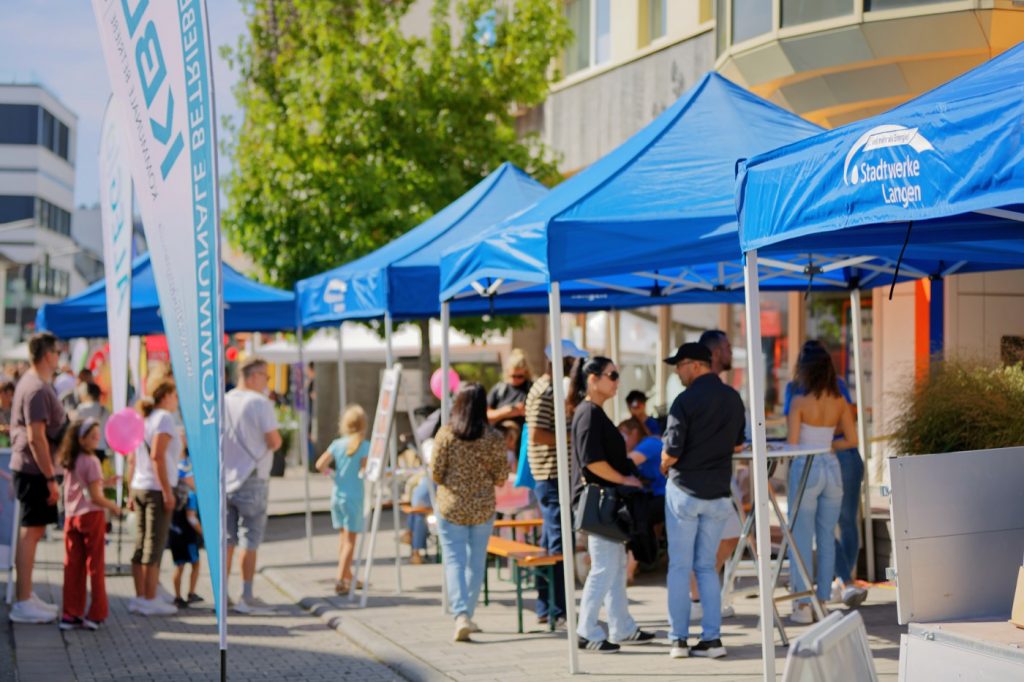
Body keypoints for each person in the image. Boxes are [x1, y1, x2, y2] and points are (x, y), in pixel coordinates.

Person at [661, 342, 745, 660]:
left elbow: (672, 451)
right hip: (719, 493)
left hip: (685, 490)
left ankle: (678, 640)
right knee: (708, 569)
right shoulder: (733, 398)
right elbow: (738, 444)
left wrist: (663, 463)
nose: (678, 372)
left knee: (680, 567)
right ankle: (712, 640)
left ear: (695, 365)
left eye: (679, 366)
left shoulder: (684, 401)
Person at [571, 356, 656, 653]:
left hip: (607, 500)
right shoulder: (589, 414)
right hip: (600, 500)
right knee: (605, 566)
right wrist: (625, 480)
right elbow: (592, 462)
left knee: (617, 564)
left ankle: (622, 625)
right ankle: (586, 629)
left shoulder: (594, 413)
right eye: (612, 375)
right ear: (592, 379)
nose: (618, 381)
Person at [783, 340, 868, 609]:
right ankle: (822, 599)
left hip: (807, 466)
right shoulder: (840, 400)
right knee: (828, 534)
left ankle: (804, 604)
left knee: (802, 536)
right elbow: (852, 440)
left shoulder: (798, 401)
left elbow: (793, 442)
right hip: (832, 466)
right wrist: (829, 444)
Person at [431, 382, 509, 642]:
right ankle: (468, 615)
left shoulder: (446, 434)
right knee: (476, 563)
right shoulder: (494, 438)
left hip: (451, 505)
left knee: (454, 560)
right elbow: (501, 477)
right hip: (482, 506)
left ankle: (461, 614)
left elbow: (435, 473)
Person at [525, 339, 587, 626]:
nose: (578, 367)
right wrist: (573, 438)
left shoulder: (550, 388)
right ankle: (558, 609)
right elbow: (537, 434)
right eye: (574, 361)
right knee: (559, 542)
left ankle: (547, 606)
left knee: (552, 541)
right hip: (551, 474)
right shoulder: (546, 391)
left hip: (551, 474)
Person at [8, 332, 66, 624]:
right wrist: (49, 477)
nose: (59, 356)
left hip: (33, 468)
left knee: (33, 531)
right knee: (30, 532)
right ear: (48, 355)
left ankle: (26, 595)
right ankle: (22, 600)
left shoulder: (34, 384)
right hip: (34, 469)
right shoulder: (35, 388)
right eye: (56, 352)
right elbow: (36, 438)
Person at [223, 356, 282, 614]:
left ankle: (222, 593)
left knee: (227, 539)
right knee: (250, 538)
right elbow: (274, 441)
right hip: (253, 476)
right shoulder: (260, 403)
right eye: (265, 376)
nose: (267, 382)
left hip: (225, 477)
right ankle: (246, 594)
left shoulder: (223, 401)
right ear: (252, 375)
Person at [57, 417, 122, 630]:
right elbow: (94, 496)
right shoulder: (92, 461)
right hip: (91, 516)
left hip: (71, 516)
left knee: (72, 567)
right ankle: (96, 613)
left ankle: (70, 613)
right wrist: (113, 506)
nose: (97, 439)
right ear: (82, 439)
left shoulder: (70, 458)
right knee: (95, 566)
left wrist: (104, 483)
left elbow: (82, 486)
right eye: (93, 436)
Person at [127, 376, 180, 617]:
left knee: (140, 544)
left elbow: (132, 457)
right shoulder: (164, 419)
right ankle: (150, 597)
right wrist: (168, 491)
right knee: (154, 546)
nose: (177, 400)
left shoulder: (144, 417)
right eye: (175, 395)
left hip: (140, 484)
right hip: (155, 488)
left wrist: (129, 490)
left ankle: (140, 596)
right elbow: (158, 456)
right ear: (166, 395)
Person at [315, 405, 370, 595]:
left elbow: (320, 464)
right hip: (354, 497)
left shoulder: (337, 444)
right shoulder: (364, 446)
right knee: (350, 541)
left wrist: (333, 474)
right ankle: (340, 578)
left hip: (337, 496)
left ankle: (348, 576)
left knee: (343, 539)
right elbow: (365, 471)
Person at [168, 455, 203, 608]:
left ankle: (177, 596)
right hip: (188, 537)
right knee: (195, 564)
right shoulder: (191, 495)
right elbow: (191, 518)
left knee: (179, 565)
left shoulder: (173, 494)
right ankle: (191, 592)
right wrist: (203, 532)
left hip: (174, 535)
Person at [487, 349, 533, 426]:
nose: (516, 379)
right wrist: (505, 412)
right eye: (513, 376)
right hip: (500, 434)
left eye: (520, 376)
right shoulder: (499, 388)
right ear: (507, 373)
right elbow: (486, 415)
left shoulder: (532, 388)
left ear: (526, 373)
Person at [75, 382, 110, 457]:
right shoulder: (105, 410)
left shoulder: (82, 408)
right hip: (102, 447)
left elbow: (76, 429)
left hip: (86, 447)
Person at [0, 379, 15, 447]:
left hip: (13, 443)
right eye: (6, 394)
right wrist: (2, 428)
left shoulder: (16, 409)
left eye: (11, 395)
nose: (9, 397)